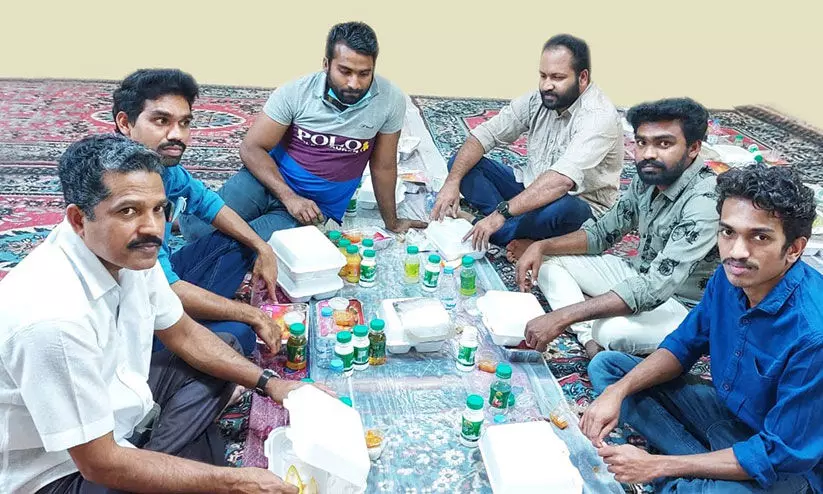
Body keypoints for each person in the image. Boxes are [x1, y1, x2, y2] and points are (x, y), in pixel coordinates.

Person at [0, 135, 302, 494]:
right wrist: (231, 482)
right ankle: (165, 467)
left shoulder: (128, 254)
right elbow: (98, 464)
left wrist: (271, 384)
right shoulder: (53, 320)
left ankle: (158, 464)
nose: (153, 228)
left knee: (224, 348)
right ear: (79, 219)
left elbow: (184, 334)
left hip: (116, 416)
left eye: (159, 209)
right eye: (128, 211)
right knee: (199, 471)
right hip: (59, 472)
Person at [582, 164, 821, 493]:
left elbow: (779, 454)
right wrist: (617, 392)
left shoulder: (813, 334)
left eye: (760, 237)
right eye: (728, 232)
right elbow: (683, 346)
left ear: (794, 249)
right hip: (728, 418)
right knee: (609, 369)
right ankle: (697, 472)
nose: (736, 252)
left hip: (784, 459)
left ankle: (682, 475)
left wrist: (659, 465)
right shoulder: (729, 277)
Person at [180, 21, 426, 242]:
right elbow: (251, 148)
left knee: (237, 247)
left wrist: (392, 221)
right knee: (196, 231)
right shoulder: (295, 92)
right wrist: (289, 197)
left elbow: (383, 166)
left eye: (364, 73)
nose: (354, 83)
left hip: (315, 206)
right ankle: (178, 217)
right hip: (265, 180)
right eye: (345, 71)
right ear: (326, 64)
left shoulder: (390, 100)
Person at [516, 98, 720, 358]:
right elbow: (602, 234)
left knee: (611, 331)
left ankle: (593, 331)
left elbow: (655, 288)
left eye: (664, 144)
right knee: (547, 260)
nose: (648, 154)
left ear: (693, 148)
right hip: (639, 274)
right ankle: (588, 337)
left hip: (684, 305)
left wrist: (563, 316)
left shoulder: (705, 201)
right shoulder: (649, 177)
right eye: (642, 142)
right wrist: (541, 246)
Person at [113, 69, 281, 356]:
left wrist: (262, 247)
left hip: (156, 283)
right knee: (240, 335)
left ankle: (206, 313)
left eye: (184, 123)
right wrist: (250, 314)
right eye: (161, 121)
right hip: (129, 320)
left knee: (239, 240)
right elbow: (164, 289)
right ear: (125, 123)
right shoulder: (121, 192)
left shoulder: (161, 168)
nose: (177, 135)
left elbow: (209, 204)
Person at [430, 34, 623, 254]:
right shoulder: (538, 100)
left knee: (567, 209)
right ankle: (513, 229)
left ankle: (490, 226)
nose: (547, 85)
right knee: (461, 164)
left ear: (583, 77)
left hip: (577, 206)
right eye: (543, 76)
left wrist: (500, 214)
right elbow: (484, 135)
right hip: (532, 189)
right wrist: (452, 182)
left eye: (558, 77)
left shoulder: (598, 116)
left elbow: (561, 182)